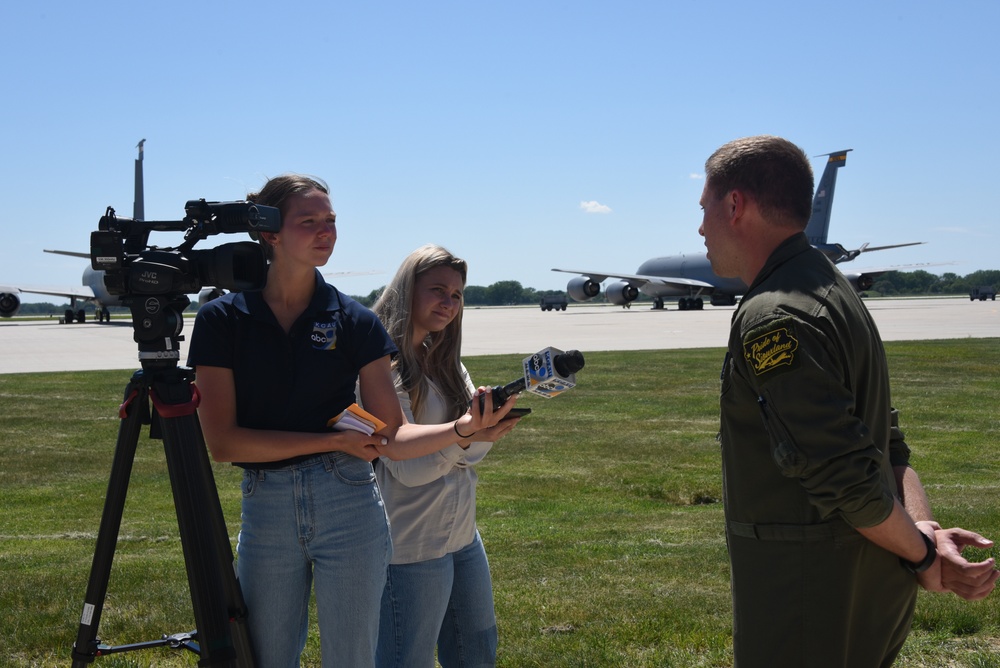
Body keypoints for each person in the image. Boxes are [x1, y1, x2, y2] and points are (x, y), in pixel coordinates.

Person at [187, 176, 515, 667]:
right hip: (268, 505)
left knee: (353, 659)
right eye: (309, 221)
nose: (326, 232)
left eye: (331, 221)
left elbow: (392, 437)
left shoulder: (357, 321)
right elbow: (225, 444)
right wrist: (329, 441)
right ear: (269, 233)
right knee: (268, 656)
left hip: (350, 503)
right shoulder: (222, 319)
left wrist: (465, 429)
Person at [699, 136, 998, 667]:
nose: (701, 229)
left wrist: (924, 551)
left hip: (808, 597)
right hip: (870, 586)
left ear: (735, 205)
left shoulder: (775, 315)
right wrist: (922, 531)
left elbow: (845, 475)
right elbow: (885, 441)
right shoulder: (830, 290)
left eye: (704, 209)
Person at [369, 244, 520, 667]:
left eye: (456, 295)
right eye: (437, 290)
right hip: (411, 544)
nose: (448, 303)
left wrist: (474, 434)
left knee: (477, 651)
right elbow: (409, 469)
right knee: (406, 659)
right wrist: (464, 435)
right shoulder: (381, 367)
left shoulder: (446, 362)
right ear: (405, 291)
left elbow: (469, 455)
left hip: (462, 533)